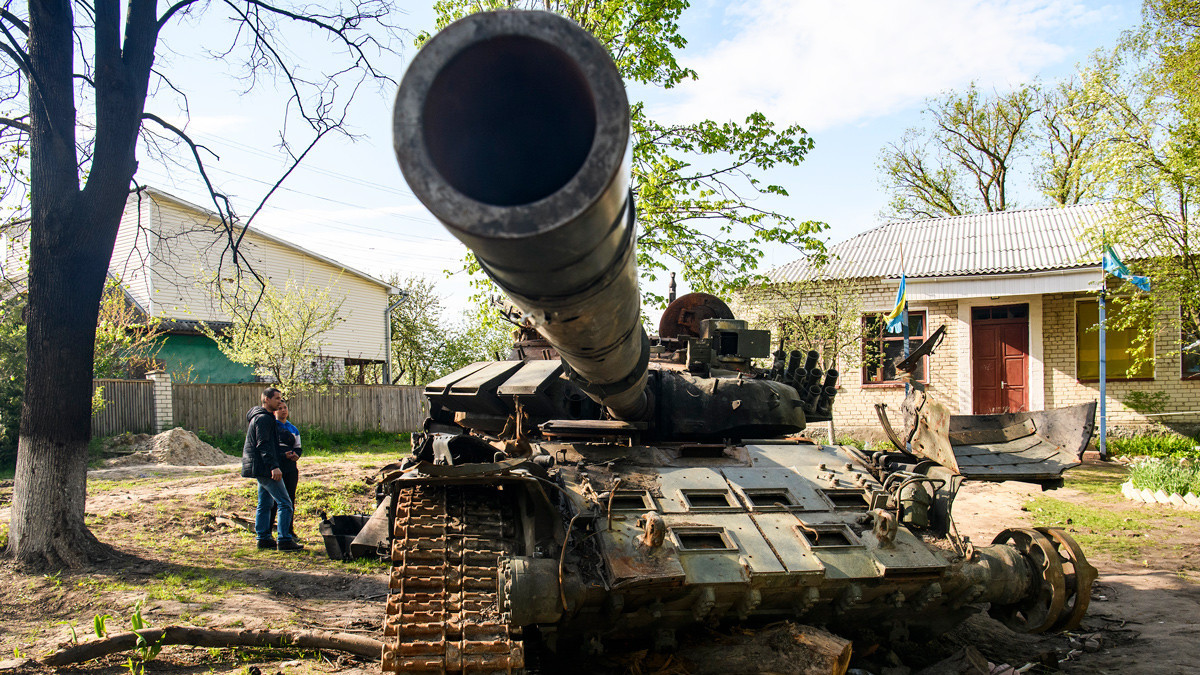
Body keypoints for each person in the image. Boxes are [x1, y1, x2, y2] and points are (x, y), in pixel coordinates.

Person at [241, 387, 303, 552]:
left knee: (265, 502)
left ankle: (263, 538)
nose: (279, 401)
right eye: (276, 398)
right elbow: (264, 445)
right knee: (285, 503)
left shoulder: (262, 417)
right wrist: (274, 466)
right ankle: (284, 540)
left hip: (260, 467)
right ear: (266, 399)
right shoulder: (264, 419)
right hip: (265, 467)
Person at [269, 400, 303, 538]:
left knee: (290, 499)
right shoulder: (272, 427)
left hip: (291, 468)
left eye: (285, 408)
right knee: (274, 501)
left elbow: (298, 447)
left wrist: (296, 455)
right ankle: (270, 528)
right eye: (280, 408)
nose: (283, 410)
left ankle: (289, 529)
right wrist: (283, 456)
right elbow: (271, 448)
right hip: (277, 467)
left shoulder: (293, 428)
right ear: (275, 411)